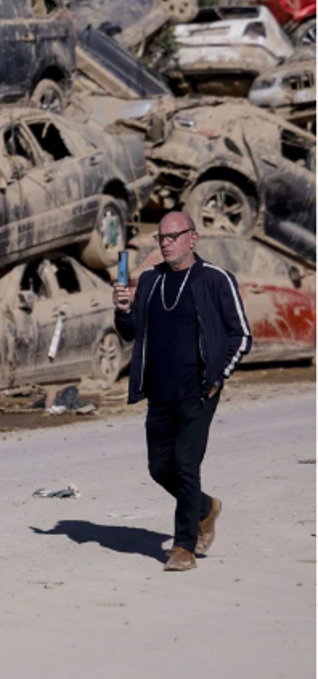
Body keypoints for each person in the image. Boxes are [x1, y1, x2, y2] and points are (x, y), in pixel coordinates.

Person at [112, 212, 252, 572]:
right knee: (160, 468)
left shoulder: (215, 279)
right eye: (162, 237)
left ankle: (183, 547)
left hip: (199, 391)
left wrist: (218, 376)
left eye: (175, 235)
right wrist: (123, 310)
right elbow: (131, 332)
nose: (167, 242)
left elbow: (242, 335)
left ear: (194, 237)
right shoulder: (149, 281)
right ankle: (205, 508)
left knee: (186, 465)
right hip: (160, 392)